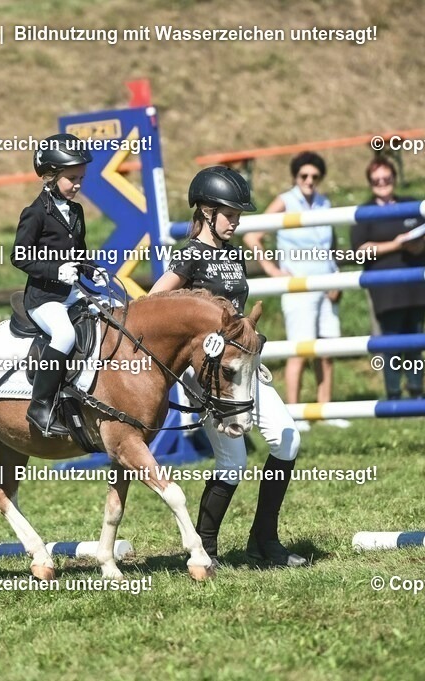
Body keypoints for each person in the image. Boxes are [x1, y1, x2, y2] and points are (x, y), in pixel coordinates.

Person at [150, 166, 306, 568]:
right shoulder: (188, 256)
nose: (236, 222)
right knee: (233, 463)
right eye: (230, 214)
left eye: (239, 215)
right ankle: (205, 548)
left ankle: (264, 540)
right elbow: (153, 304)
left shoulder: (234, 255)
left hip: (244, 370)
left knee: (287, 439)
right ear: (205, 211)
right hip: (210, 377)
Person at [243, 152, 348, 431]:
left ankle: (325, 409)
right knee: (299, 350)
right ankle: (295, 412)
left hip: (327, 283)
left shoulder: (325, 202)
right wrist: (273, 270)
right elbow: (252, 234)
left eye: (315, 176)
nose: (309, 181)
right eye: (304, 176)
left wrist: (336, 278)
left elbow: (330, 246)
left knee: (326, 350)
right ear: (295, 177)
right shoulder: (285, 200)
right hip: (298, 286)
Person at [13, 133, 108, 436]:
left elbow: (79, 252)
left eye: (81, 177)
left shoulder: (76, 211)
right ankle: (40, 406)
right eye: (72, 178)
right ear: (50, 176)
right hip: (43, 298)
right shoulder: (35, 213)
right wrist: (55, 271)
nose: (78, 184)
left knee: (112, 315)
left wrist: (92, 271)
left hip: (71, 292)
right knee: (65, 335)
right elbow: (20, 255)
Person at [350, 157, 425, 400]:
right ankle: (393, 396)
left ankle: (417, 393)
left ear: (394, 179)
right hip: (385, 290)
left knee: (415, 345)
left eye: (386, 178)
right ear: (370, 183)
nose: (382, 183)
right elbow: (360, 250)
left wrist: (419, 244)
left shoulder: (411, 203)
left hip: (415, 288)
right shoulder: (364, 212)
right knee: (390, 347)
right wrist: (396, 244)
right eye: (376, 180)